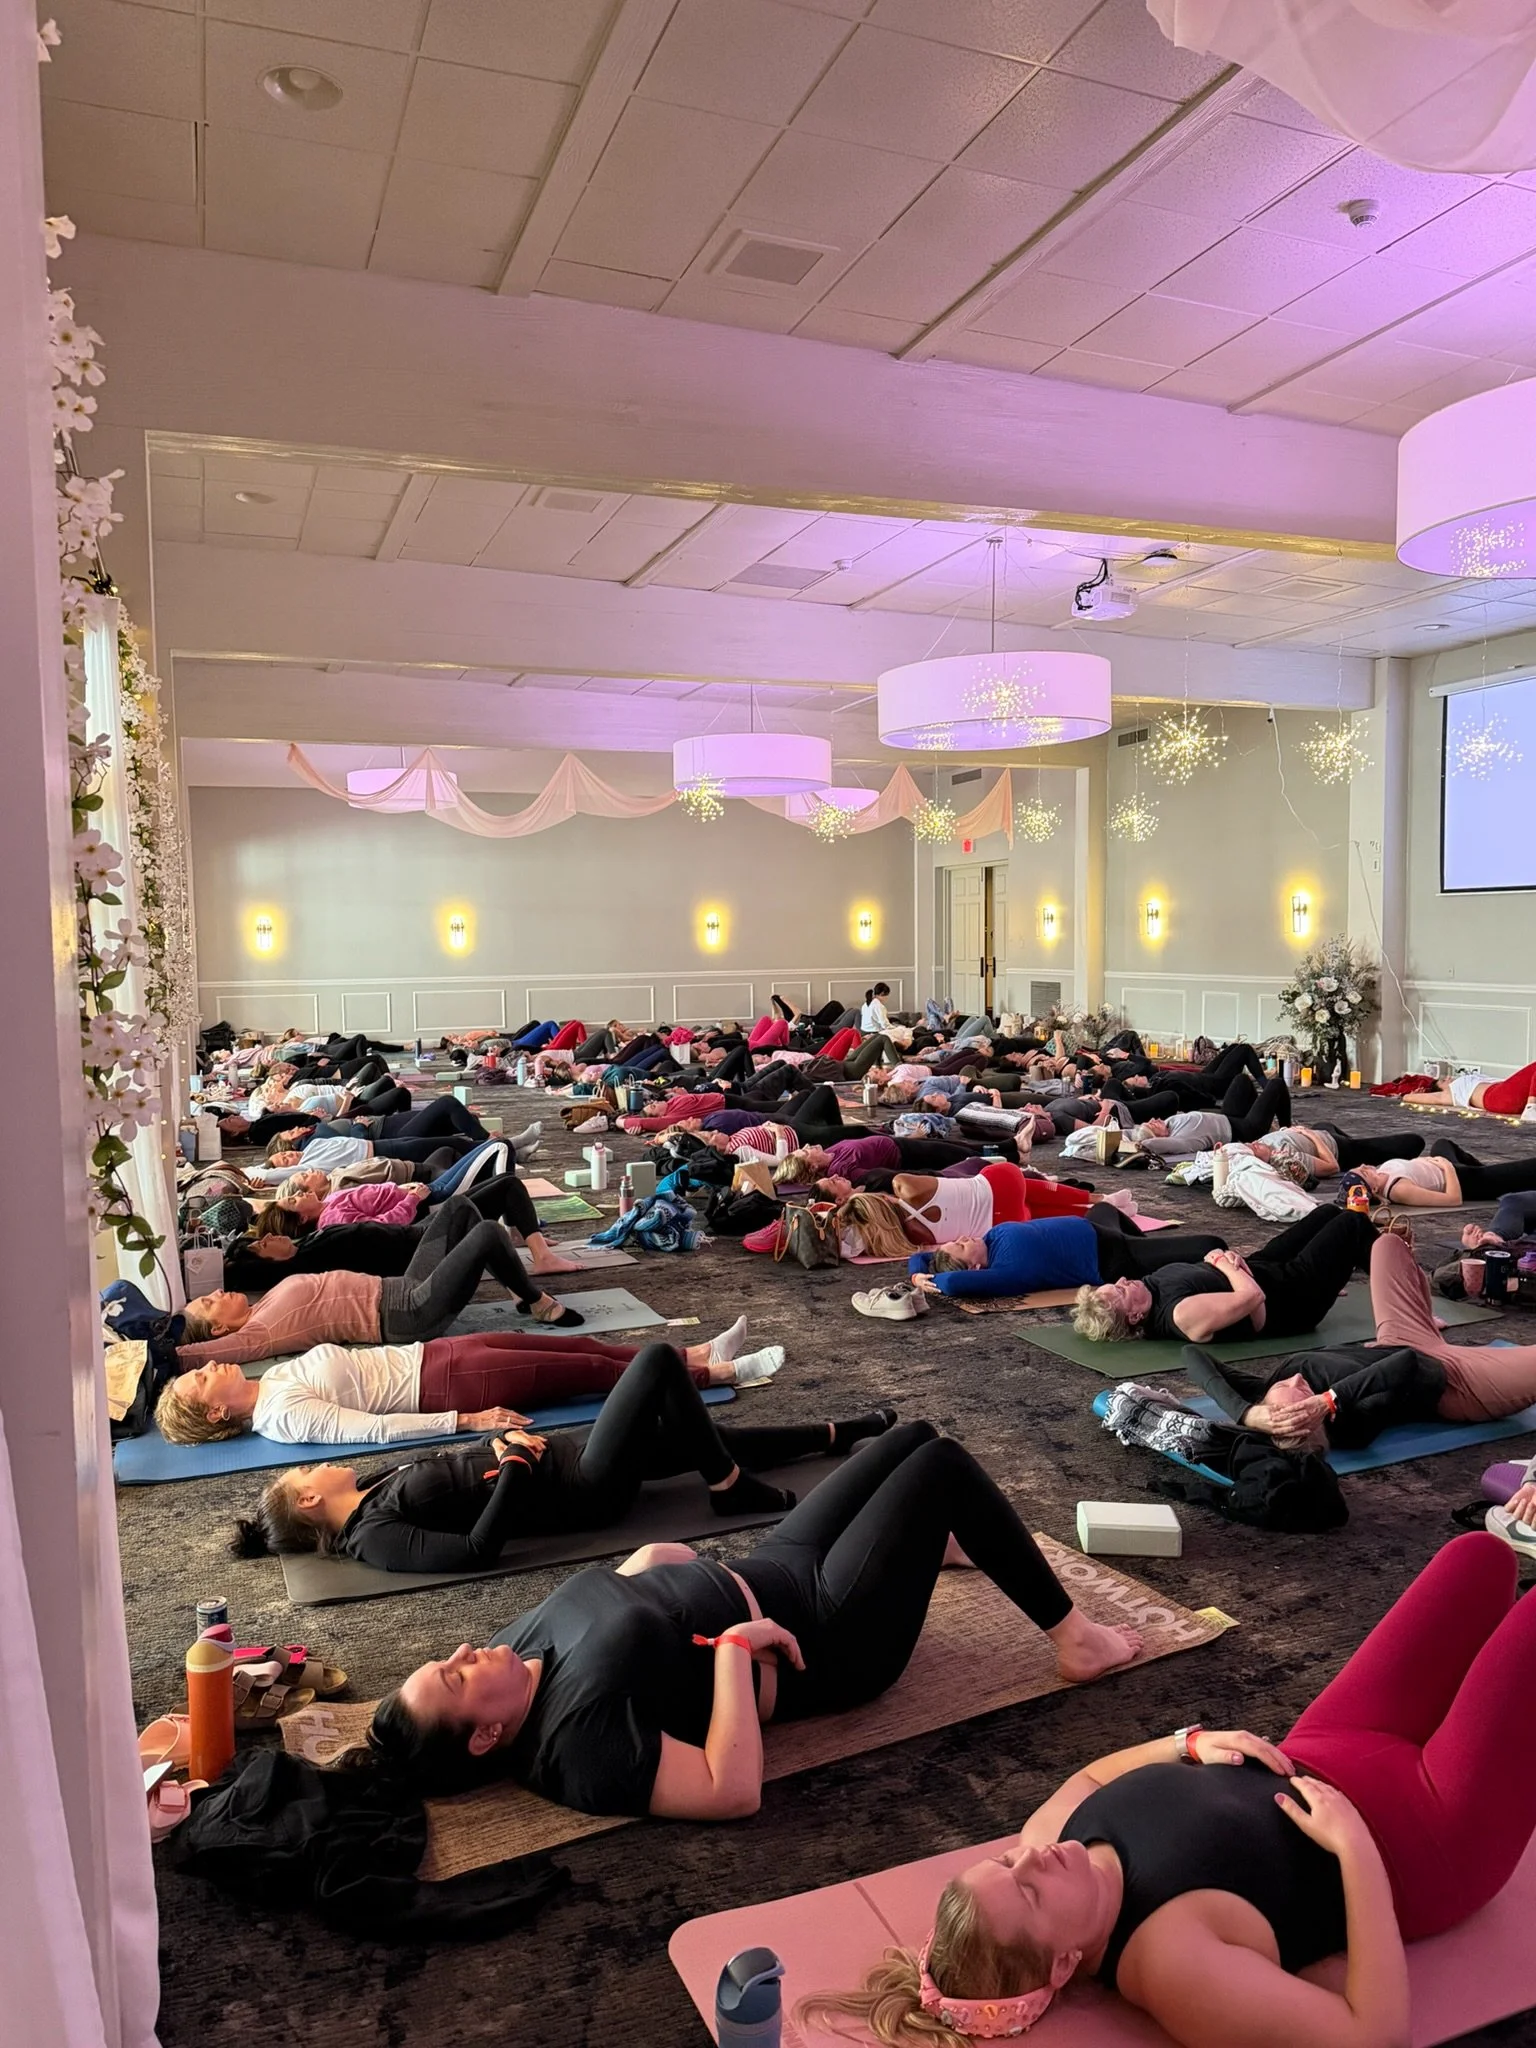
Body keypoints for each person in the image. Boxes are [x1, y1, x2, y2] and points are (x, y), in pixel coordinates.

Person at [808, 1532, 1536, 2048]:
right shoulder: (1171, 1967)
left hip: (1328, 1745)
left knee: (1479, 1558)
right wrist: (1355, 1853)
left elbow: (1091, 1777)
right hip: (1424, 1839)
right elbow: (1374, 2035)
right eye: (1028, 1893)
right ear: (1064, 1963)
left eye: (1004, 1865)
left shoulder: (1045, 1843)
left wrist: (1186, 1743)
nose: (1030, 1860)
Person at [365, 1420, 1144, 1814]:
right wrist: (735, 1653)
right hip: (832, 1634)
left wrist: (647, 1571)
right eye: (454, 1675)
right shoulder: (575, 1750)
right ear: (485, 1736)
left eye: (450, 1658)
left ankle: (931, 1549)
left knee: (909, 1437)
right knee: (940, 1471)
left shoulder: (510, 1656)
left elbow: (620, 1590)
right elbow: (728, 1790)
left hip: (773, 1566)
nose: (466, 1649)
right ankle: (1075, 1639)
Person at [231, 1343, 896, 1567]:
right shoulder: (375, 1539)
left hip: (566, 1460)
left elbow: (459, 1476)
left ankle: (842, 1431)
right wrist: (515, 1464)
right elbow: (477, 1550)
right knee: (659, 1361)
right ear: (311, 1500)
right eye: (303, 1474)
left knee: (696, 1437)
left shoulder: (375, 1492)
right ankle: (730, 1487)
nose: (312, 1465)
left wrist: (496, 1446)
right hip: (584, 1488)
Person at [162, 1320, 785, 1449]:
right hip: (449, 1386)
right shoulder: (283, 1416)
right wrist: (468, 1421)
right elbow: (374, 1430)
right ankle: (723, 1373)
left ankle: (695, 1350)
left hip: (435, 1353)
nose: (208, 1369)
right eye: (200, 1385)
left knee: (584, 1348)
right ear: (216, 1415)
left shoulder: (270, 1381)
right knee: (591, 1375)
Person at [169, 1195, 585, 1376]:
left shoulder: (264, 1304)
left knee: (459, 1208)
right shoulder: (260, 1333)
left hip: (400, 1286)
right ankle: (535, 1301)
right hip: (409, 1314)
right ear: (220, 1328)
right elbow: (193, 1354)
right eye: (209, 1303)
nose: (215, 1293)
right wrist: (149, 1355)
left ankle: (513, 1281)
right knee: (490, 1234)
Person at [1071, 1207, 1378, 1345]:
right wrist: (1223, 1262)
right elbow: (1252, 1300)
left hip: (1260, 1267)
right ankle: (1405, 1285)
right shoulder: (1181, 1315)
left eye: (1118, 1283)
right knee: (1351, 1224)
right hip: (1291, 1297)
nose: (1124, 1281)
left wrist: (1228, 1262)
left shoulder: (1150, 1286)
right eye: (1122, 1291)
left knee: (1326, 1213)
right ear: (1135, 1316)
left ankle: (1358, 1266)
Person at [910, 1208, 1227, 1302]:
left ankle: (1155, 1256)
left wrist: (916, 1271)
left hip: (1099, 1229)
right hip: (1112, 1258)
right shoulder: (1005, 1272)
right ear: (975, 1268)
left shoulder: (990, 1241)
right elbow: (951, 1283)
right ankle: (1156, 1264)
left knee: (1103, 1208)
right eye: (962, 1246)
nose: (965, 1237)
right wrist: (933, 1280)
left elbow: (924, 1259)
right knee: (1210, 1244)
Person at [1347, 1136, 1536, 1208]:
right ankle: (1489, 1176)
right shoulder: (1398, 1189)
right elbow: (1453, 1200)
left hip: (1449, 1167)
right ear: (1372, 1188)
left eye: (1360, 1166)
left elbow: (1411, 1166)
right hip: (1465, 1182)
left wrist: (1428, 1161)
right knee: (1528, 1169)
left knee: (1442, 1143)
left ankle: (1486, 1171)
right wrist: (1447, 1167)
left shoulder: (1381, 1173)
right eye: (1363, 1172)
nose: (1364, 1166)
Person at [1402, 1060, 1536, 1115]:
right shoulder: (1452, 1092)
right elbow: (1437, 1098)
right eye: (1443, 1081)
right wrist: (1410, 1095)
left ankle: (1531, 1107)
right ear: (1442, 1088)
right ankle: (1531, 1109)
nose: (1448, 1077)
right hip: (1497, 1098)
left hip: (1505, 1094)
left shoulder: (1468, 1081)